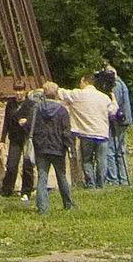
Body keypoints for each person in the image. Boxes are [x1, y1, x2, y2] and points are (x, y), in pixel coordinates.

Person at [62, 72, 112, 188]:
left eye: (80, 82)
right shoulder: (104, 97)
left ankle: (91, 184)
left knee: (87, 160)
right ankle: (101, 184)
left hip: (86, 134)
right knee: (102, 160)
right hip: (102, 134)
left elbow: (61, 93)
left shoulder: (78, 94)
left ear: (84, 81)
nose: (79, 84)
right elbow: (113, 111)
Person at [30, 78, 73, 213]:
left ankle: (42, 208)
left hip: (41, 147)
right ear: (55, 94)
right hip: (58, 148)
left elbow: (30, 126)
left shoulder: (36, 108)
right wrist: (69, 147)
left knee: (42, 177)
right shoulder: (62, 111)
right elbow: (66, 131)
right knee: (61, 176)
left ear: (44, 93)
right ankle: (68, 204)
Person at [0, 87, 38, 199]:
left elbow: (35, 120)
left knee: (27, 165)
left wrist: (27, 122)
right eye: (16, 91)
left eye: (21, 91)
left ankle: (26, 191)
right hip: (15, 137)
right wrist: (2, 140)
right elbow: (6, 121)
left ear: (25, 91)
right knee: (11, 165)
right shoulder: (10, 104)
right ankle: (7, 190)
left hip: (26, 137)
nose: (18, 93)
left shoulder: (30, 104)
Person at [102, 61, 133, 186]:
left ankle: (114, 179)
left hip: (117, 122)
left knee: (112, 150)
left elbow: (115, 106)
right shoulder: (121, 83)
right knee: (119, 150)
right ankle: (122, 178)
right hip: (123, 121)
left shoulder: (116, 86)